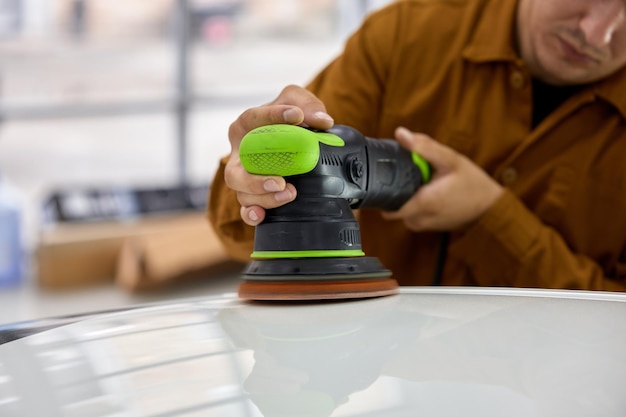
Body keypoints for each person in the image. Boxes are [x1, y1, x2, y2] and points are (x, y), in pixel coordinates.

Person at [208, 0, 626, 291]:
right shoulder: (402, 37)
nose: (598, 33)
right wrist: (254, 187)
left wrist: (488, 216)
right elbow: (233, 226)